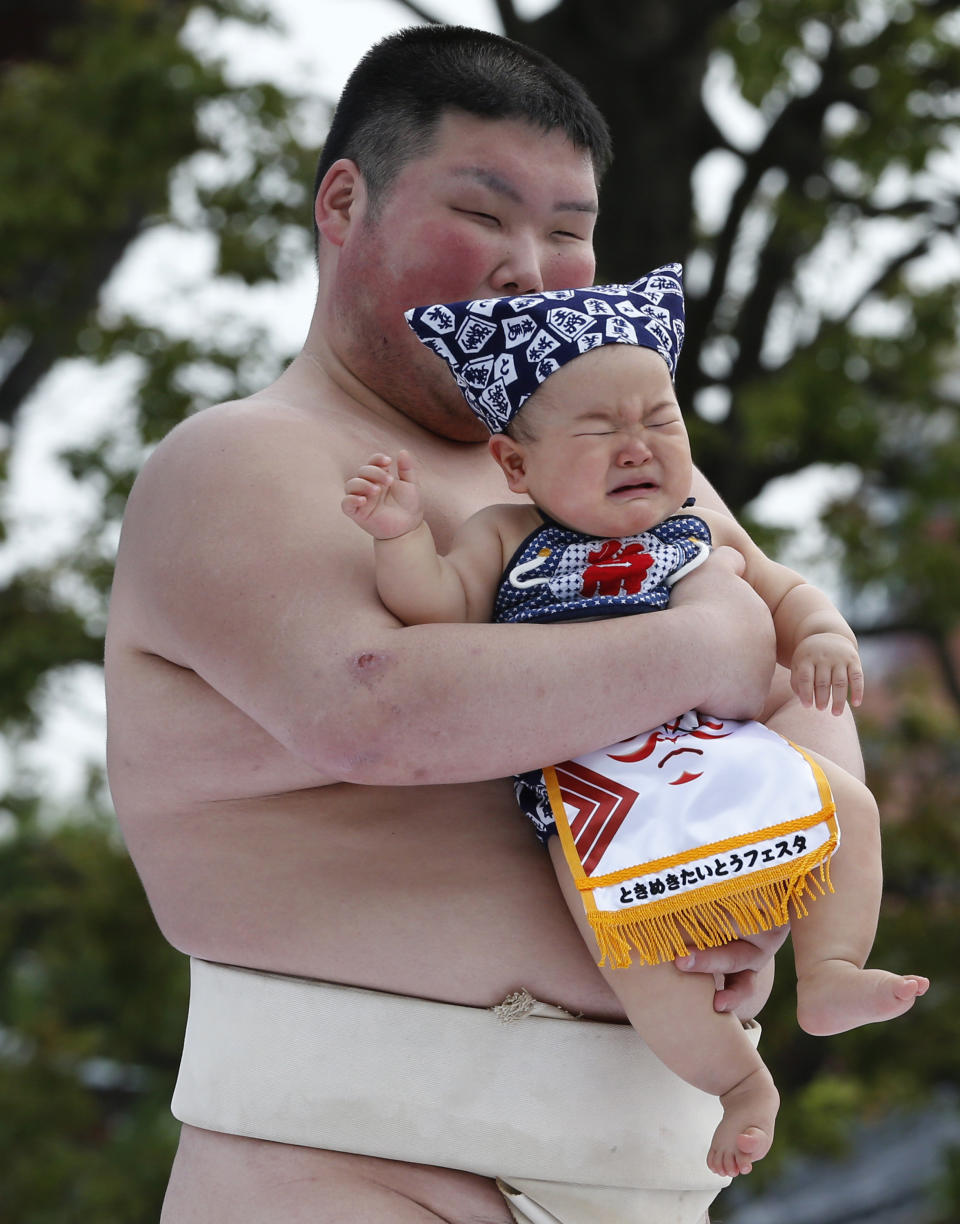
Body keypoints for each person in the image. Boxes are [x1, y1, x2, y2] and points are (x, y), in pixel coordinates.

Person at [105, 24, 868, 1224]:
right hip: (348, 1173)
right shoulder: (243, 463)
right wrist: (711, 645)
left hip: (658, 1176)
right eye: (486, 213)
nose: (531, 263)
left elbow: (808, 691)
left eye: (568, 231)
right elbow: (376, 710)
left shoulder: (627, 468)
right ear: (344, 201)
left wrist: (768, 883)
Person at [342, 265, 929, 1179]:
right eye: (598, 428)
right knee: (636, 960)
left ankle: (833, 972)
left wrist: (820, 634)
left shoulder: (697, 526)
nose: (637, 446)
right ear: (515, 463)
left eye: (660, 420)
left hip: (725, 753)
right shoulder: (506, 537)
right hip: (593, 798)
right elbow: (431, 604)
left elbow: (787, 593)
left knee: (848, 809)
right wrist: (400, 533)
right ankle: (742, 1082)